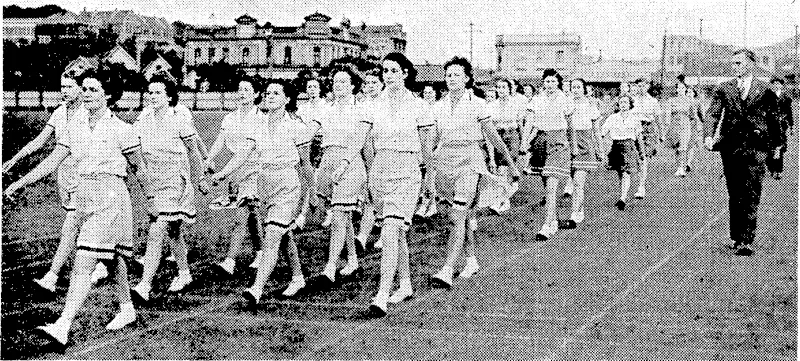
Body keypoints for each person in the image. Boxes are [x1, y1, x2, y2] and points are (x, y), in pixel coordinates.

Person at [4, 68, 150, 345]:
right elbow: (51, 162)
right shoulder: (74, 127)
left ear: (109, 95)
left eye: (93, 90)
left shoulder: (123, 130)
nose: (86, 95)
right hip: (85, 194)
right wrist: (18, 183)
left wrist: (151, 203)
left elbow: (139, 170)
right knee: (117, 258)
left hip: (112, 198)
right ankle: (127, 308)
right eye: (84, 89)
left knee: (84, 259)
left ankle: (63, 324)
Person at [206, 78, 313, 302]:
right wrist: (221, 175)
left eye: (275, 93)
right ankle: (297, 277)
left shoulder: (297, 127)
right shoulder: (257, 124)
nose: (269, 96)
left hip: (287, 184)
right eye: (267, 93)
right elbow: (243, 153)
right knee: (283, 236)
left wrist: (305, 204)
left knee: (273, 235)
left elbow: (306, 167)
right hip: (263, 183)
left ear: (287, 99)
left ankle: (256, 288)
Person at [2, 73, 109, 291]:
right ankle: (104, 262)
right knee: (82, 226)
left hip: (85, 177)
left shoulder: (89, 113)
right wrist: (14, 160)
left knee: (71, 227)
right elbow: (39, 142)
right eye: (62, 86)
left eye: (70, 86)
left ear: (80, 88)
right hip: (65, 175)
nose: (64, 91)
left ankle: (52, 276)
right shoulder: (60, 112)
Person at [429, 57, 520, 288]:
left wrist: (510, 163)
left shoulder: (478, 104)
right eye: (448, 75)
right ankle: (470, 260)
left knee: (457, 216)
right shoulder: (438, 106)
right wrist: (427, 168)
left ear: (467, 78)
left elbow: (494, 137)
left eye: (457, 75)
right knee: (465, 215)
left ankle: (447, 269)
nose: (451, 79)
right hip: (445, 162)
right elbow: (433, 140)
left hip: (470, 161)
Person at [363, 52, 436, 316]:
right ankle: (405, 284)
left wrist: (430, 180)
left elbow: (427, 149)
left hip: (407, 170)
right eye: (385, 71)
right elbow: (365, 142)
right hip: (380, 169)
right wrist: (366, 174)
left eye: (394, 70)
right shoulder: (373, 104)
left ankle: (382, 294)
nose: (388, 75)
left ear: (405, 73)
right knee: (397, 232)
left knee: (391, 230)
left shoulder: (419, 106)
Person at [130, 76, 205, 304]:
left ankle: (144, 285)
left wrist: (199, 177)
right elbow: (129, 147)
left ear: (169, 97)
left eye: (157, 93)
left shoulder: (180, 119)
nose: (152, 97)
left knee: (157, 229)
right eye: (150, 93)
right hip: (154, 182)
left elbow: (193, 151)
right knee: (173, 231)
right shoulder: (143, 120)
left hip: (174, 182)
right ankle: (184, 273)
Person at [704, 49, 784, 256]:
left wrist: (777, 146)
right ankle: (736, 235)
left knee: (751, 192)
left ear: (750, 64)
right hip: (731, 148)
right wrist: (708, 136)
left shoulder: (765, 89)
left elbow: (774, 119)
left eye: (739, 63)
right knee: (735, 193)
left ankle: (746, 240)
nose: (735, 67)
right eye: (733, 63)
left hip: (756, 148)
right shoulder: (724, 88)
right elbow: (713, 114)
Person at [307, 66, 370, 284]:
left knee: (339, 215)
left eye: (343, 81)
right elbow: (308, 132)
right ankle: (352, 260)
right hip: (327, 161)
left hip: (351, 163)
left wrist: (368, 175)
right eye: (335, 81)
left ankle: (330, 266)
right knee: (342, 215)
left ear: (353, 86)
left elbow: (362, 143)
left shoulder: (362, 109)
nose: (338, 85)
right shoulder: (325, 109)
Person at [203, 77, 265, 277]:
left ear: (256, 94)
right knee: (252, 215)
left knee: (241, 215)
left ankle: (229, 261)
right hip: (235, 171)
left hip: (255, 170)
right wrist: (208, 159)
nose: (242, 92)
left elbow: (245, 152)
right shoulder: (229, 118)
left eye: (247, 89)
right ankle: (262, 252)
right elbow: (220, 141)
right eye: (240, 89)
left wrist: (221, 174)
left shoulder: (261, 119)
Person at [521, 69, 574, 241]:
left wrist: (573, 146)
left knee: (551, 185)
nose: (549, 84)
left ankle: (546, 225)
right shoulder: (536, 99)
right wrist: (524, 142)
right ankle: (554, 219)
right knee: (547, 185)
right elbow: (529, 122)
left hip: (558, 141)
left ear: (558, 83)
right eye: (547, 81)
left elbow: (570, 125)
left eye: (553, 81)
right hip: (540, 141)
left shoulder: (565, 99)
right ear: (543, 82)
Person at [563, 78, 602, 228]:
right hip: (568, 142)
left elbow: (596, 131)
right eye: (573, 87)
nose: (576, 89)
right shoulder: (566, 103)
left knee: (578, 182)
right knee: (572, 180)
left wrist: (600, 150)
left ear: (584, 89)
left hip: (585, 145)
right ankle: (579, 208)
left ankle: (574, 215)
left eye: (579, 87)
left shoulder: (590, 105)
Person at [485, 77, 525, 212]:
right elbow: (489, 129)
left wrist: (524, 142)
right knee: (499, 170)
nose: (501, 90)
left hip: (512, 136)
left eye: (504, 87)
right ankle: (505, 198)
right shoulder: (491, 106)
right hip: (497, 136)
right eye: (499, 87)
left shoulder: (516, 104)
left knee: (504, 169)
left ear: (509, 89)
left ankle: (499, 202)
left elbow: (520, 124)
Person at [355, 68, 382, 249]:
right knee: (369, 197)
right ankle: (362, 237)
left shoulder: (385, 104)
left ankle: (367, 235)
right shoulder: (361, 105)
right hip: (363, 154)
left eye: (374, 83)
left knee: (378, 197)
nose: (370, 86)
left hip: (382, 155)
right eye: (367, 83)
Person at [600, 95, 643, 210]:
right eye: (621, 102)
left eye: (625, 102)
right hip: (616, 146)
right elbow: (602, 132)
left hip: (629, 147)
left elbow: (639, 137)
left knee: (625, 172)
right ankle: (623, 194)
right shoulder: (612, 117)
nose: (623, 104)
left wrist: (641, 152)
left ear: (630, 104)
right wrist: (601, 148)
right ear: (618, 105)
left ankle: (622, 198)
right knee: (620, 172)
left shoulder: (635, 119)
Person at [628, 78, 663, 199]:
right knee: (632, 158)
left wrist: (661, 134)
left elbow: (658, 119)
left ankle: (641, 186)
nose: (641, 88)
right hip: (633, 129)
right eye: (639, 86)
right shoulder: (632, 100)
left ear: (647, 86)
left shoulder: (653, 101)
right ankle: (629, 185)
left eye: (643, 86)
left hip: (647, 129)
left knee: (643, 157)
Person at [664, 76, 703, 177]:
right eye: (679, 88)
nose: (680, 90)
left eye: (682, 88)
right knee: (677, 148)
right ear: (676, 89)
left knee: (683, 147)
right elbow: (668, 113)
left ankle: (681, 168)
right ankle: (679, 167)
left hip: (685, 125)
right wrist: (667, 124)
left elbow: (693, 115)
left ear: (685, 89)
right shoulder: (671, 100)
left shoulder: (689, 101)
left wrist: (698, 125)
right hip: (674, 125)